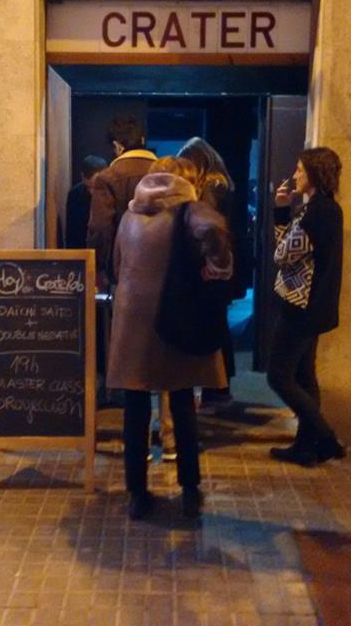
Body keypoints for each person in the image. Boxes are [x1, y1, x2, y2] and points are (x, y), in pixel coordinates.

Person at [107, 157, 233, 520]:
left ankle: (137, 493)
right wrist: (217, 268)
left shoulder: (130, 214)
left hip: (133, 320)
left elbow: (117, 265)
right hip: (174, 316)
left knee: (135, 408)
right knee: (181, 402)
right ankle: (189, 489)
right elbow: (214, 230)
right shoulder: (189, 210)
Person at [267, 147, 346, 467]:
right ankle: (305, 446)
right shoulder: (325, 209)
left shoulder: (317, 213)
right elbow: (290, 248)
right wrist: (285, 212)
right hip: (315, 306)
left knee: (279, 376)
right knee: (304, 376)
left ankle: (326, 438)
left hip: (301, 306)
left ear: (314, 173)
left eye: (300, 170)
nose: (295, 175)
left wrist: (280, 213)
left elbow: (282, 255)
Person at [178, 136, 237, 408]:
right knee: (218, 324)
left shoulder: (213, 187)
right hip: (220, 264)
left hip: (212, 266)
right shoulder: (222, 184)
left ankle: (218, 388)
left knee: (214, 327)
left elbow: (208, 228)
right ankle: (219, 387)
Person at [87, 115, 156, 290]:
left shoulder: (108, 177)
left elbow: (100, 227)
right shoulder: (167, 173)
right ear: (142, 140)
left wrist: (99, 266)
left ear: (117, 146)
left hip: (124, 268)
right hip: (162, 267)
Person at [65, 155, 108, 249]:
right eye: (88, 187)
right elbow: (71, 232)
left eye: (96, 188)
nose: (92, 192)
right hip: (81, 247)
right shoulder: (75, 195)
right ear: (82, 177)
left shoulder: (111, 193)